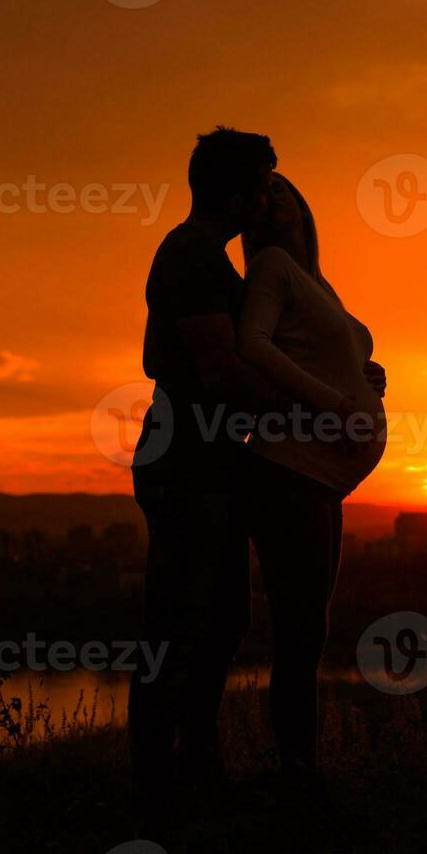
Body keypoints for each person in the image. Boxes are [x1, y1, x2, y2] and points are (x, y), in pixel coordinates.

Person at [129, 126, 291, 811]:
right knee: (177, 620)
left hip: (212, 460)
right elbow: (220, 367)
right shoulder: (191, 255)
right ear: (238, 193)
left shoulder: (208, 260)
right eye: (262, 186)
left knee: (222, 619)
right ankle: (155, 781)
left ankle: (196, 762)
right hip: (186, 461)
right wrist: (303, 410)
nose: (268, 199)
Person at [237, 171, 388, 789]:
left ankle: (304, 768)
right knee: (299, 632)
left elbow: (318, 352)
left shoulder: (316, 282)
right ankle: (297, 775)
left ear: (303, 204)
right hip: (288, 470)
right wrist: (335, 403)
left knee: (312, 630)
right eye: (260, 192)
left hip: (322, 478)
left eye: (283, 189)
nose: (273, 200)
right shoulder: (271, 264)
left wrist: (365, 375)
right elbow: (253, 344)